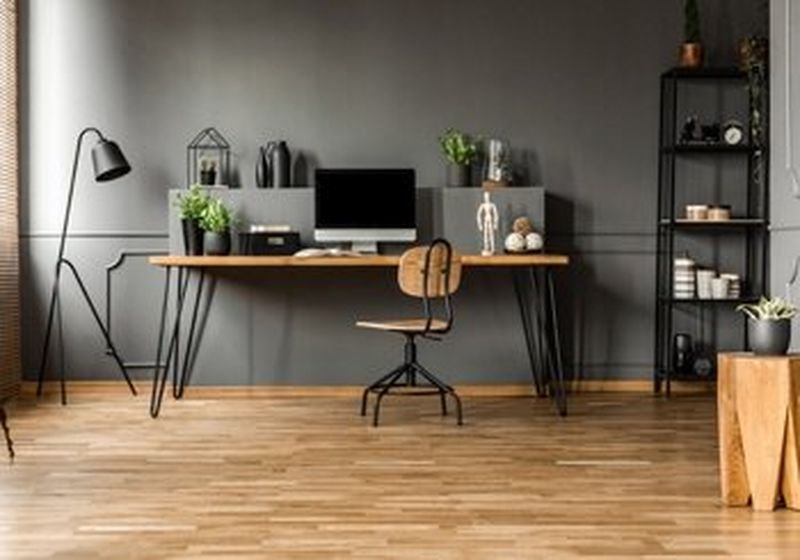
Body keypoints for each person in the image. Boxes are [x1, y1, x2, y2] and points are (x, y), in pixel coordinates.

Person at [476, 190, 499, 256]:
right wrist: (480, 224)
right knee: (485, 235)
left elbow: (496, 214)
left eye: (488, 196)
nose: (487, 197)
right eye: (485, 196)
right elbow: (478, 215)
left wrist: (495, 224)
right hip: (485, 220)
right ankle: (486, 247)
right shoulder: (482, 205)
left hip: (490, 220)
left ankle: (493, 248)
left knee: (491, 234)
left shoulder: (492, 205)